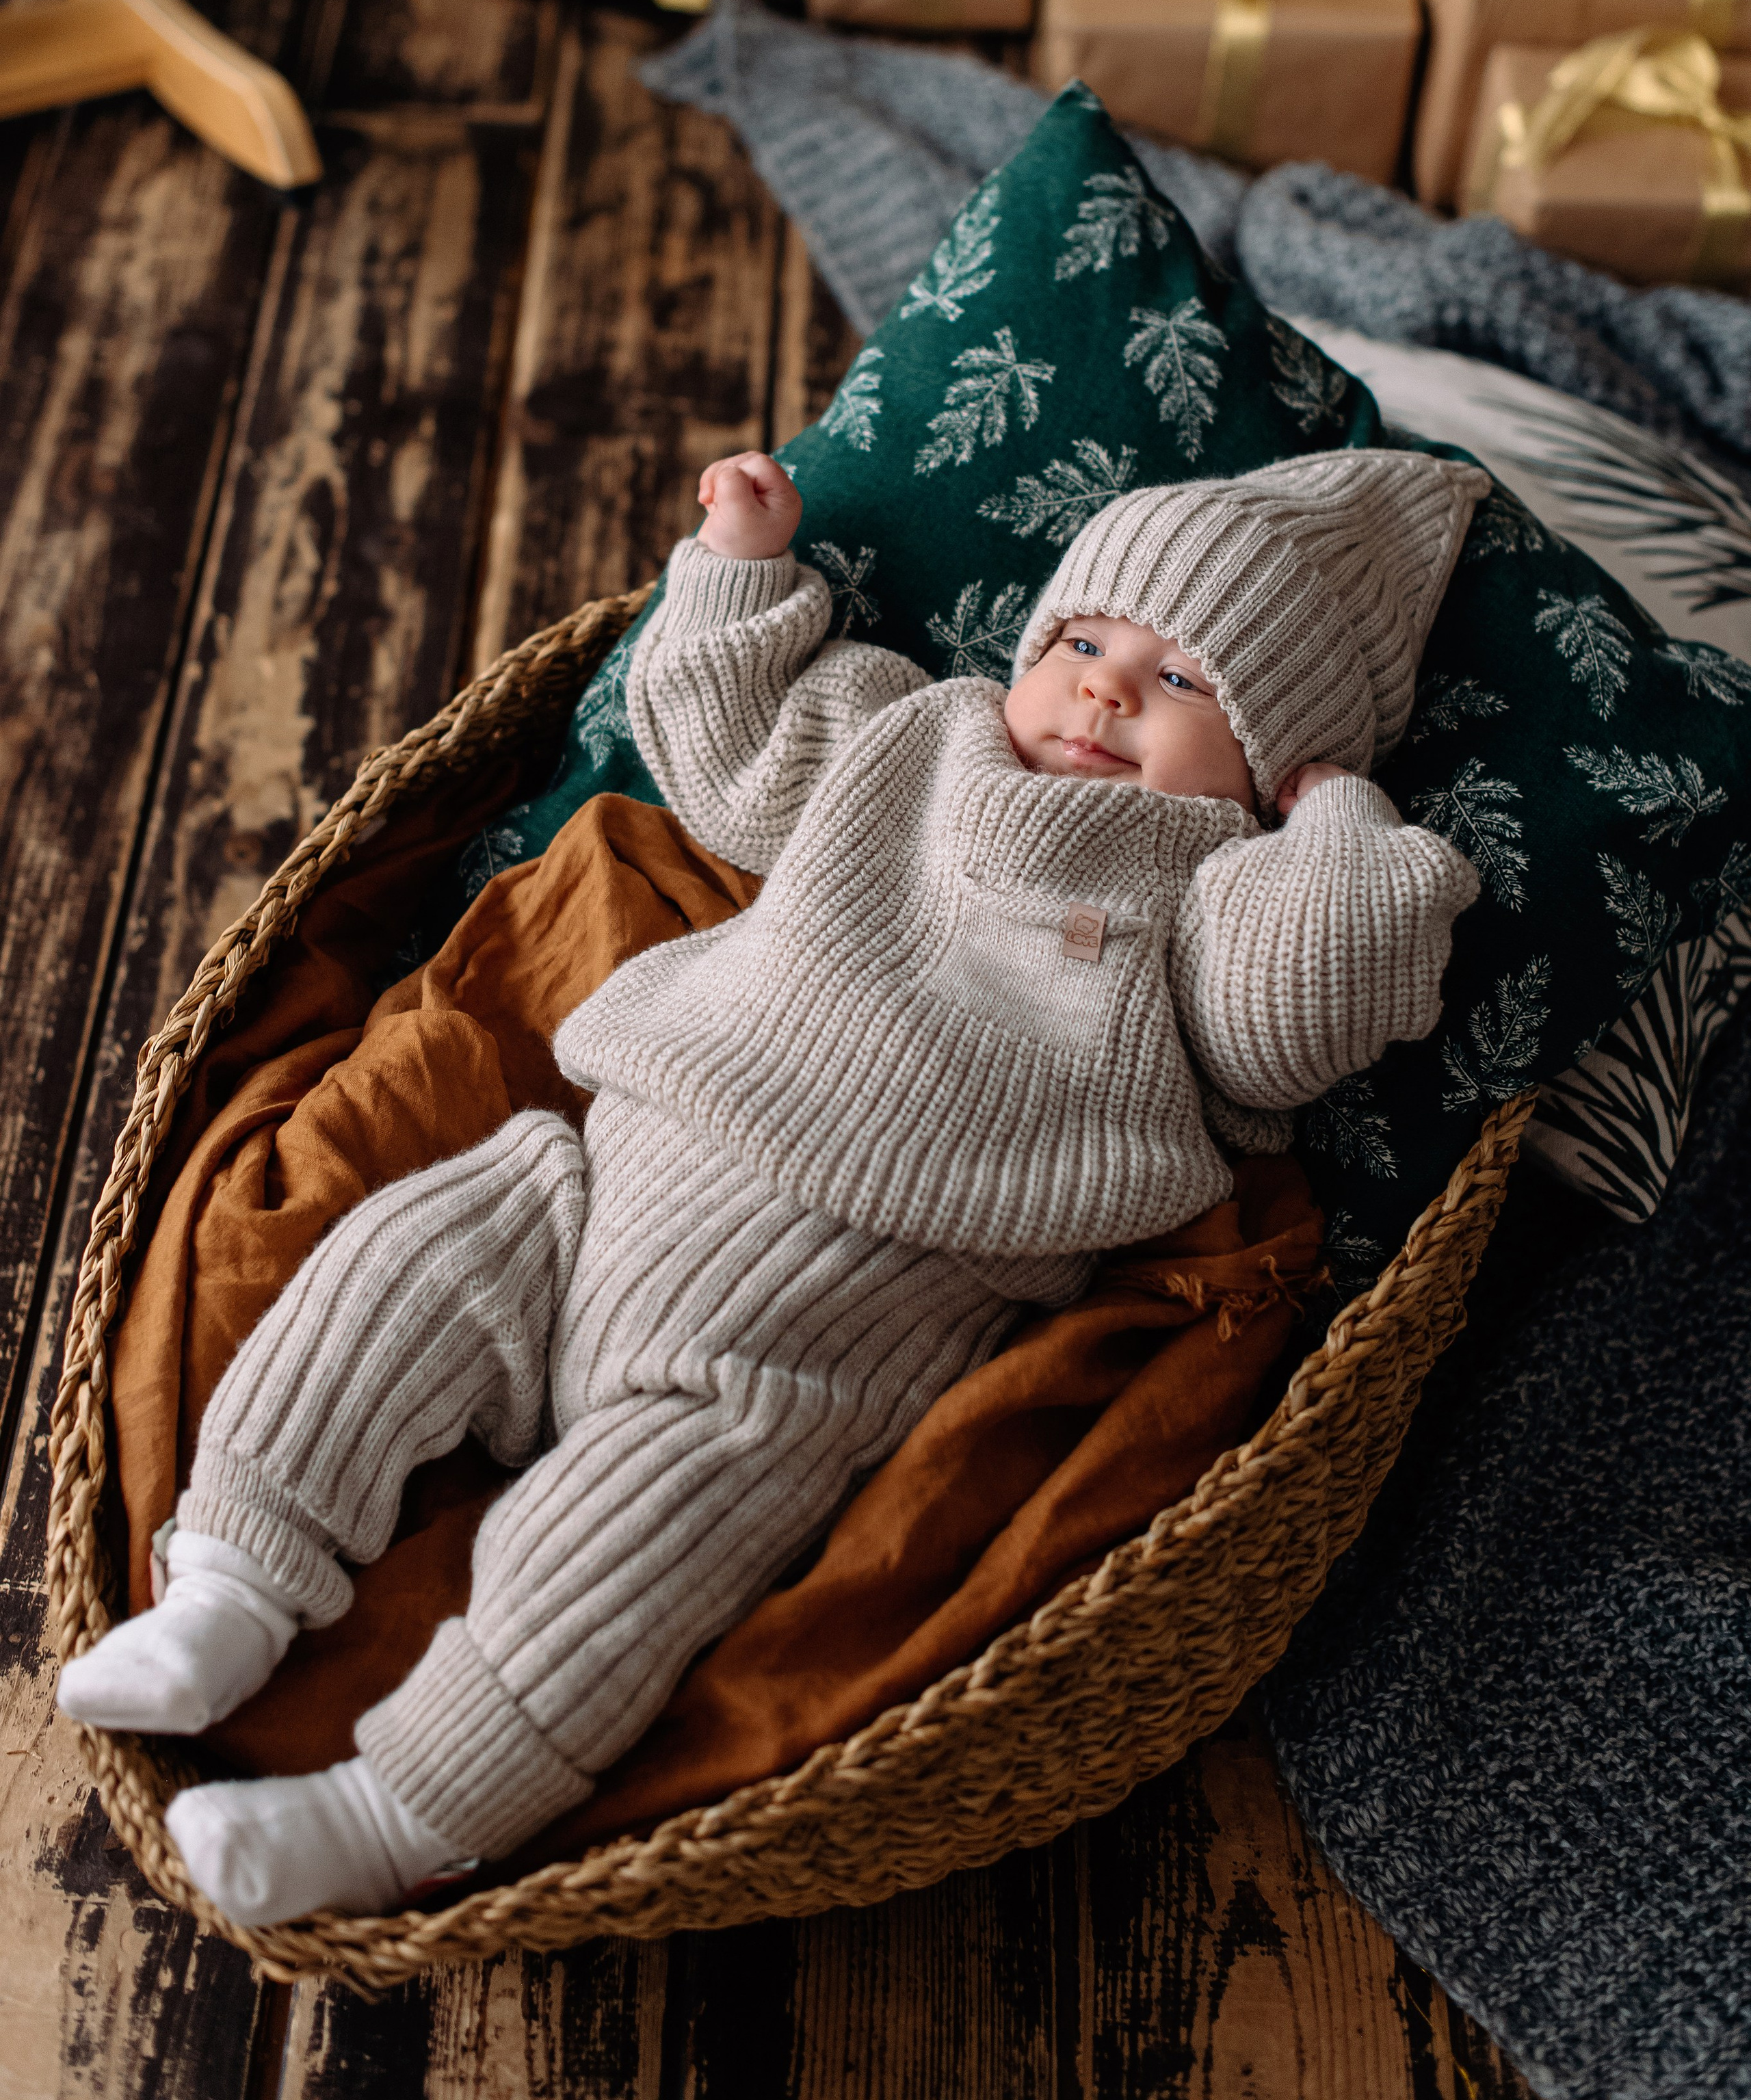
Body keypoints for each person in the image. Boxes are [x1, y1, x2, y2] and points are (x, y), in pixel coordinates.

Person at [60, 444, 1486, 1925]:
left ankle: (405, 1806)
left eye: (1185, 684)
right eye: (1079, 640)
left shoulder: (1202, 898)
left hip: (796, 1339)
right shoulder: (908, 736)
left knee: (640, 1530)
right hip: (599, 1182)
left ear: (1264, 774)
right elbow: (724, 746)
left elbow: (1306, 1003)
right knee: (399, 1255)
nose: (1106, 688)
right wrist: (740, 568)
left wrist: (1339, 831)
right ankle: (230, 1578)